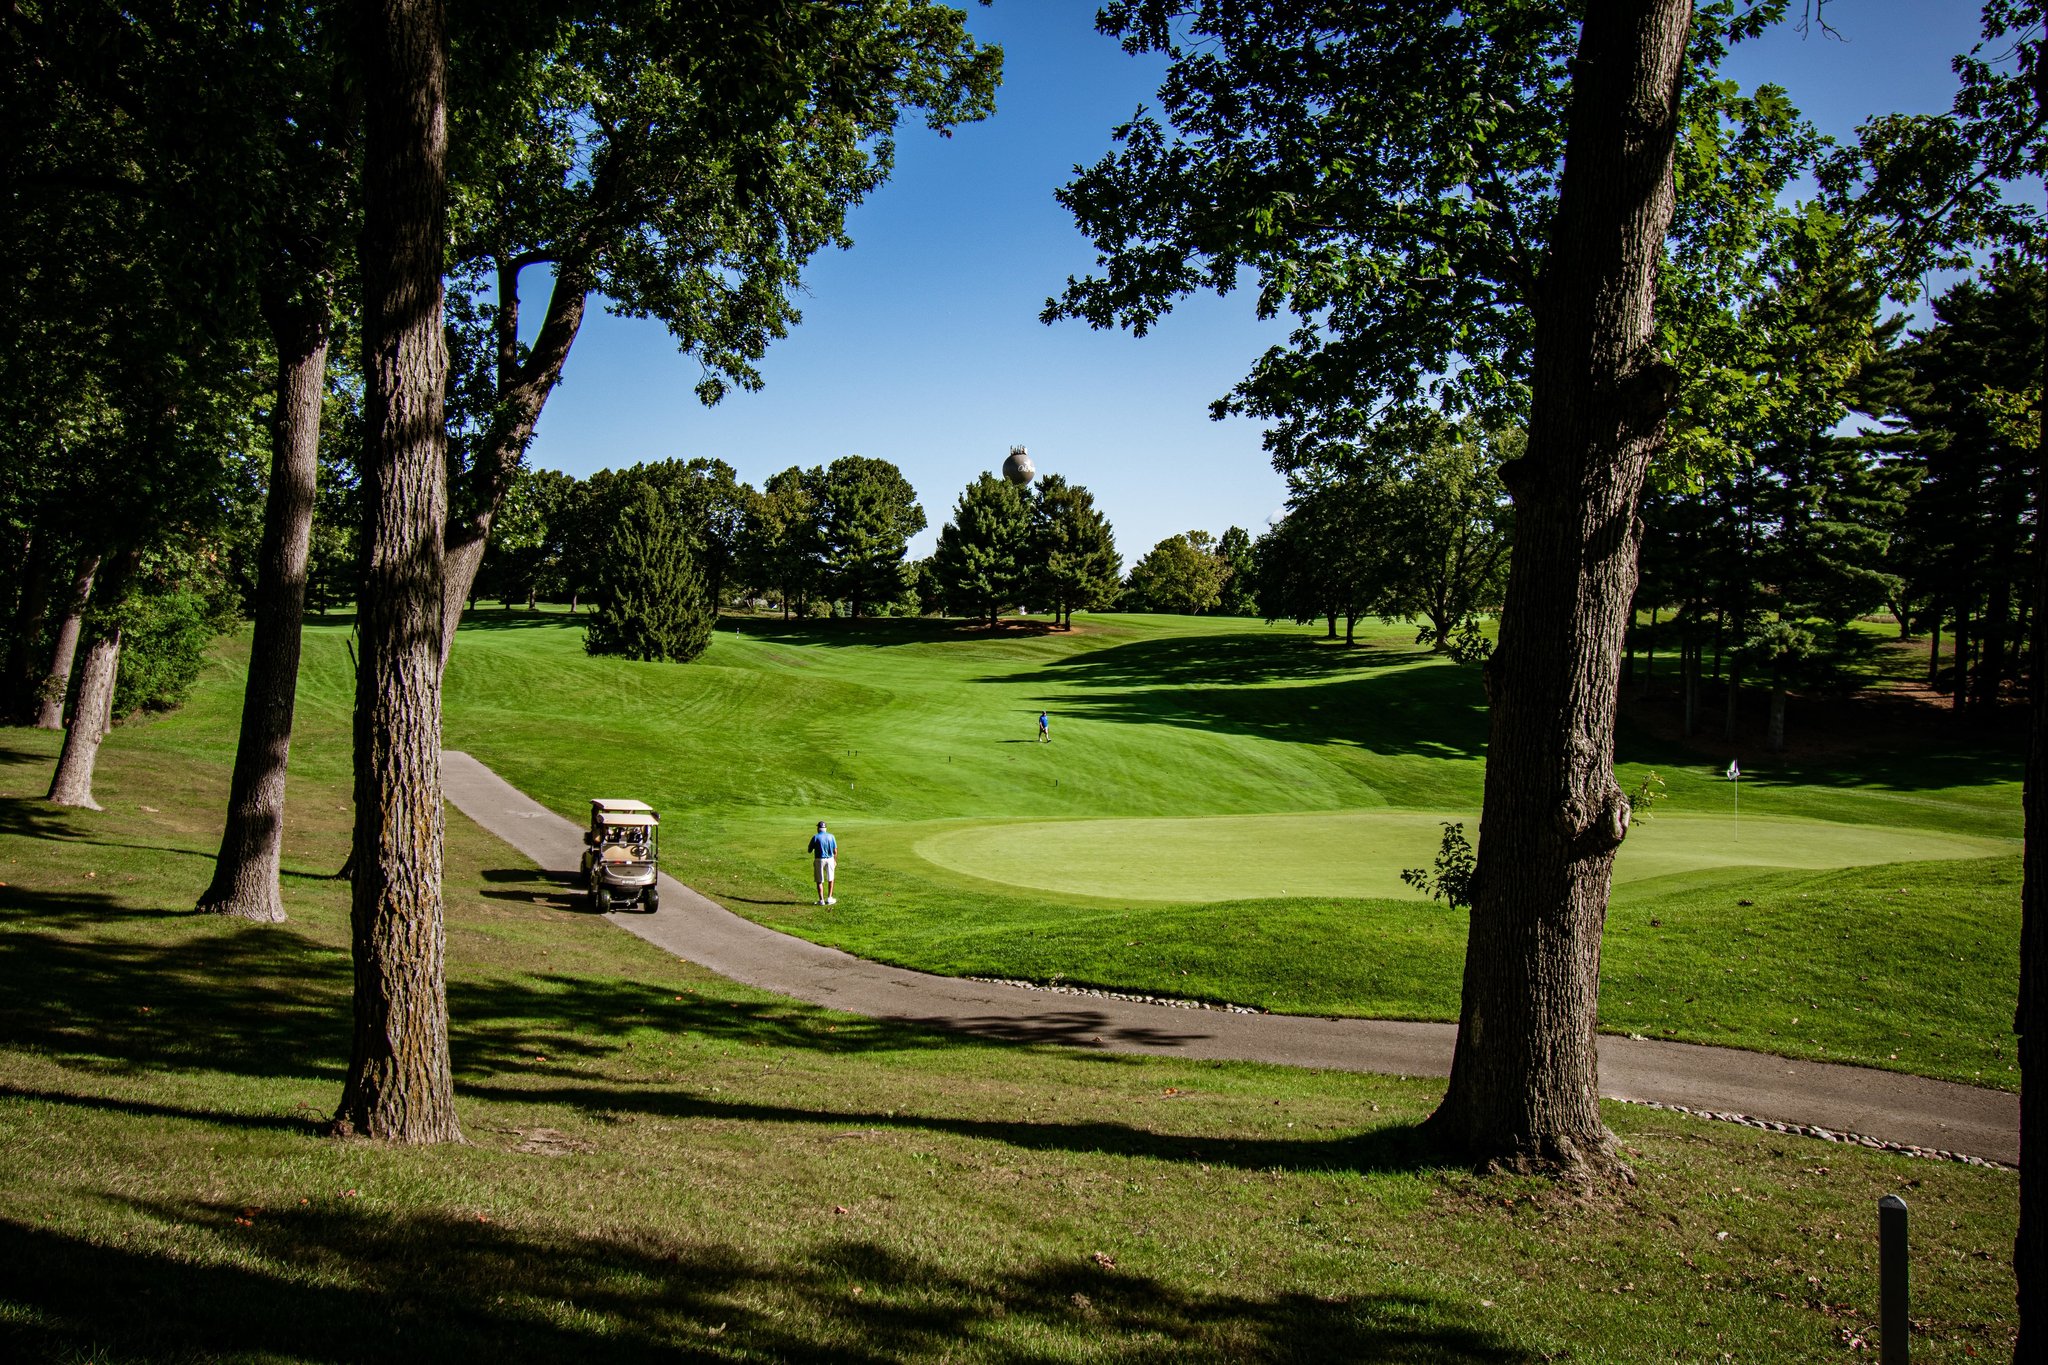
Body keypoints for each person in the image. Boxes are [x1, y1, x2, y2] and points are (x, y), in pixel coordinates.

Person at [808, 820, 838, 905]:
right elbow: (835, 850)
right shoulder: (831, 836)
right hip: (830, 859)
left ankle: (821, 900)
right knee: (831, 878)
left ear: (818, 828)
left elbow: (809, 850)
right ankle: (829, 898)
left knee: (819, 880)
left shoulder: (815, 837)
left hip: (819, 859)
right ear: (825, 828)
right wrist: (835, 860)